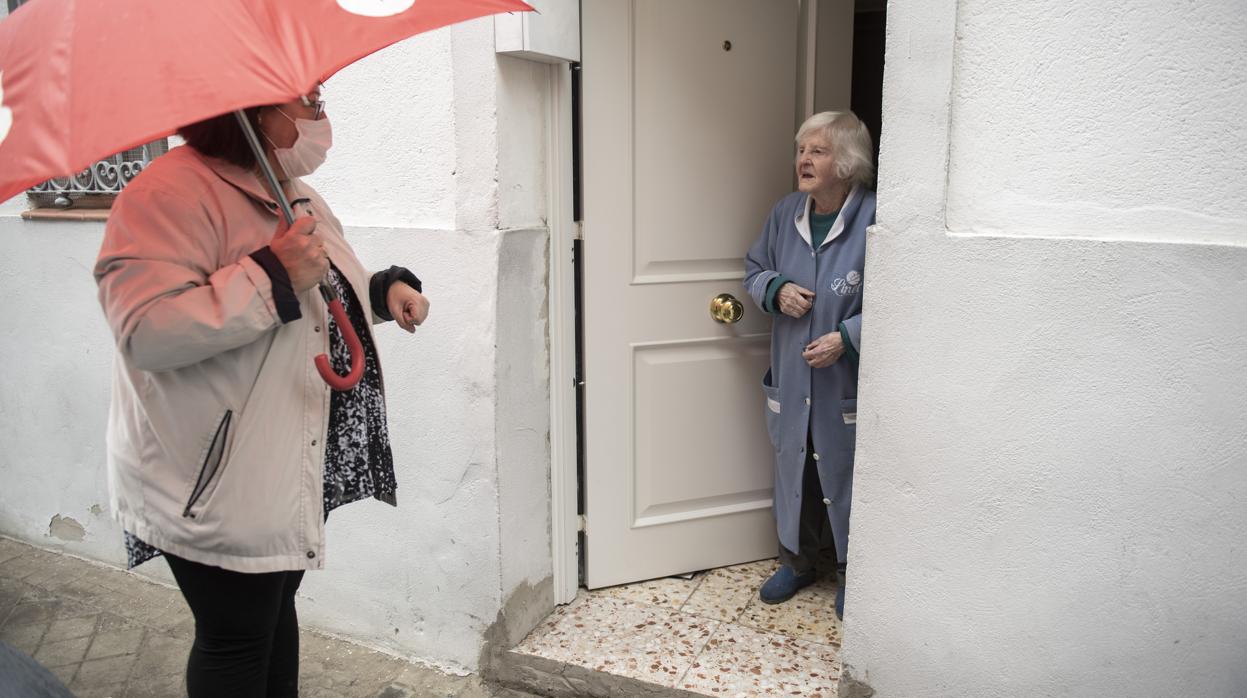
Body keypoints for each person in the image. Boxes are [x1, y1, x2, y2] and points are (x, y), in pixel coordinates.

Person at [93, 84, 429, 697]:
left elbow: (322, 295)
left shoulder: (289, 188)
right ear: (247, 106)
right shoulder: (165, 195)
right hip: (214, 474)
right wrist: (270, 273)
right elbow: (144, 331)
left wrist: (382, 292)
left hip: (281, 460)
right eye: (305, 98)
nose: (321, 110)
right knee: (236, 636)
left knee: (274, 616)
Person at [743, 111, 876, 619]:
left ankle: (850, 570)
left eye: (817, 151)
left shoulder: (874, 219)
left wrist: (847, 336)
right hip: (793, 376)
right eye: (802, 150)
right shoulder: (784, 213)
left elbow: (904, 296)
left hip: (844, 381)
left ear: (847, 162)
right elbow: (754, 269)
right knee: (794, 466)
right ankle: (796, 563)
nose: (804, 159)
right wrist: (775, 290)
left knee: (842, 471)